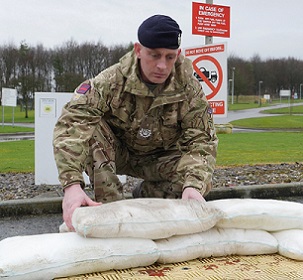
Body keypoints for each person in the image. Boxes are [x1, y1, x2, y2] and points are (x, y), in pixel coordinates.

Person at [53, 14, 218, 230]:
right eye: (154, 55)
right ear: (138, 50)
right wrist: (71, 185)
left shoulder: (189, 88)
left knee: (190, 181)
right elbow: (72, 125)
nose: (162, 65)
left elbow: (201, 138)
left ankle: (148, 195)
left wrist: (194, 186)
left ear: (178, 55)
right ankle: (109, 208)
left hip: (160, 159)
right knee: (91, 130)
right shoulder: (110, 82)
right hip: (115, 153)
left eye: (169, 57)